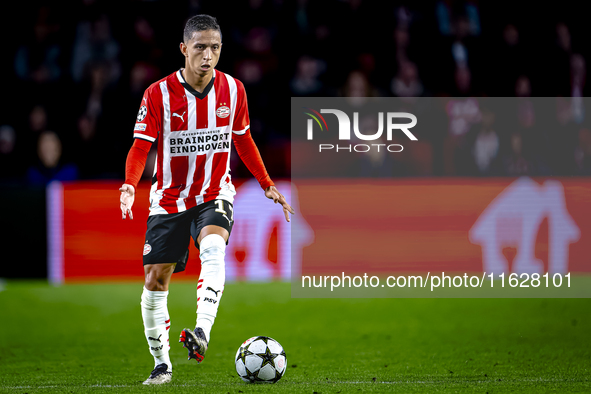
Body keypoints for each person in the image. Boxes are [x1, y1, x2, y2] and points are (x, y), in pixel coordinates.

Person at [118, 15, 294, 385]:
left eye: (215, 47)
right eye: (200, 47)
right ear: (184, 49)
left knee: (213, 246)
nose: (208, 55)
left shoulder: (234, 90)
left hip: (214, 192)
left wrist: (265, 182)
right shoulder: (158, 94)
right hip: (168, 199)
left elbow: (243, 139)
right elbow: (140, 146)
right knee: (155, 279)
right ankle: (161, 363)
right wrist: (130, 184)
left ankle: (202, 332)